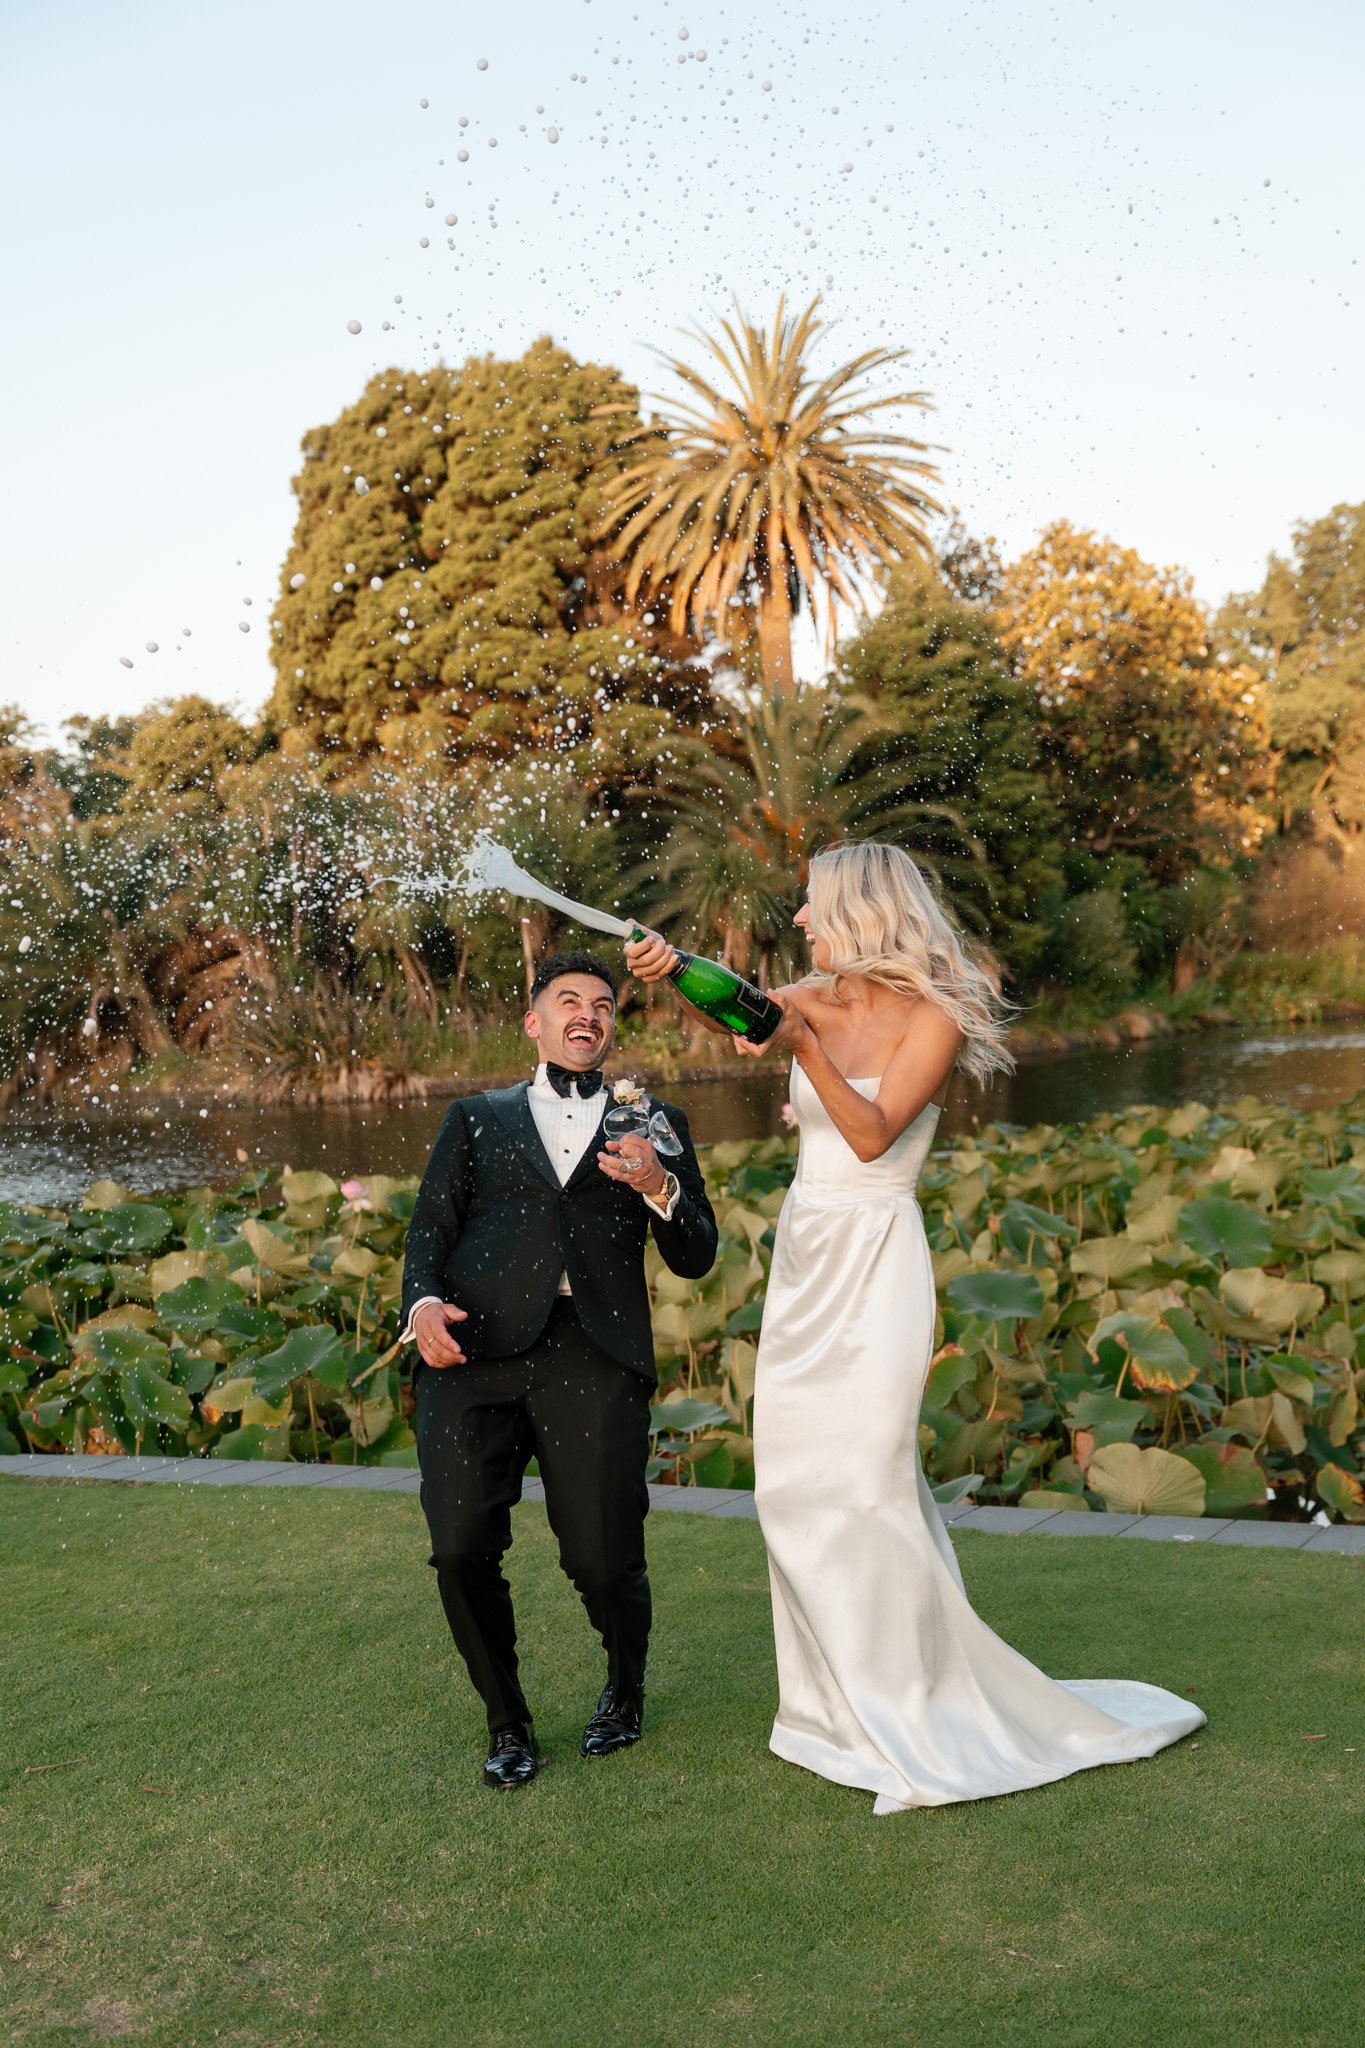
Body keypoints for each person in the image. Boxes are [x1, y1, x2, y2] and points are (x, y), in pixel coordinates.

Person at [626, 843, 1204, 1814]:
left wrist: (805, 1048)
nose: (801, 922)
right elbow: (744, 1005)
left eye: (811, 906)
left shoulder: (937, 1014)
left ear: (856, 909)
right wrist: (671, 965)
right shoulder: (809, 996)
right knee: (790, 1486)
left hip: (877, 1257)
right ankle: (830, 1711)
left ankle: (906, 1706)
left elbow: (869, 1131)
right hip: (807, 1262)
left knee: (866, 1482)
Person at [401, 950, 718, 1790]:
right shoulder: (475, 1116)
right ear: (534, 1022)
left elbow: (695, 1257)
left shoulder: (654, 1122)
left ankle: (624, 1691)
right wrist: (422, 1308)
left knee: (603, 1556)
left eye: (604, 1005)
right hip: (471, 1352)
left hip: (594, 1353)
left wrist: (660, 1187)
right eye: (568, 1001)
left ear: (614, 1027)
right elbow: (429, 1230)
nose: (588, 1014)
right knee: (459, 1546)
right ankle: (506, 1723)